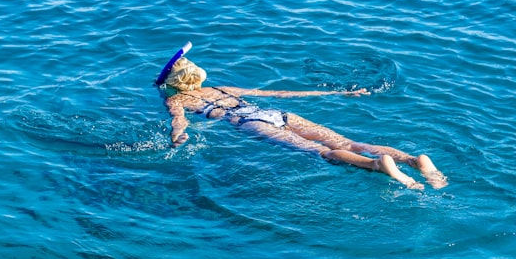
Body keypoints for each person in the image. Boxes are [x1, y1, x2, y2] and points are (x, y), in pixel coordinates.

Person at [161, 56, 447, 190]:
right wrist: (337, 92)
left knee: (319, 152)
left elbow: (179, 121)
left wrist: (178, 138)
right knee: (351, 143)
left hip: (249, 123)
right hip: (278, 114)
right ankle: (413, 160)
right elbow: (278, 93)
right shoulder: (223, 88)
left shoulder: (176, 100)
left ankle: (376, 165)